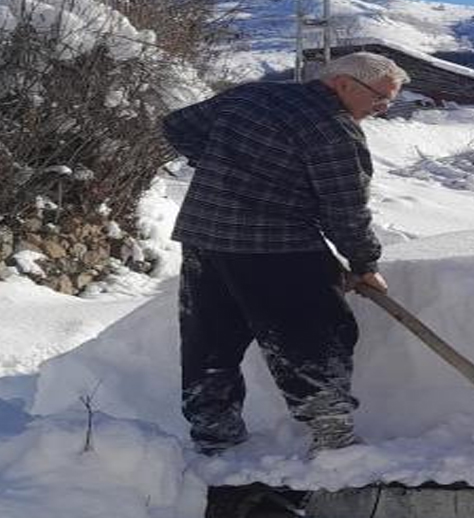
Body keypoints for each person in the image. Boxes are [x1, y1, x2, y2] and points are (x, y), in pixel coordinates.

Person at [162, 52, 408, 456]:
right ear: (343, 83)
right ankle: (332, 438)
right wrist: (364, 263)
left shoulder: (251, 96)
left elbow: (177, 125)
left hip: (206, 238)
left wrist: (223, 164)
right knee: (314, 337)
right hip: (278, 248)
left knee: (210, 340)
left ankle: (214, 436)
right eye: (379, 98)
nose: (383, 108)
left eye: (389, 101)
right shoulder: (332, 130)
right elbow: (345, 211)